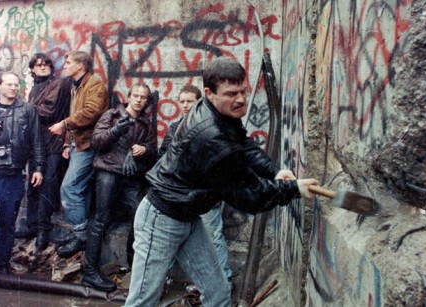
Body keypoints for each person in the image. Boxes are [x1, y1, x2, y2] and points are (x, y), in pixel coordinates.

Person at [125, 57, 318, 307]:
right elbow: (250, 197)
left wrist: (274, 172)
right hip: (161, 220)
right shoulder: (211, 136)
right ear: (209, 93)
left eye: (243, 91)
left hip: (188, 215)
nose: (240, 99)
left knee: (218, 293)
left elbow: (243, 144)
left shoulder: (218, 111)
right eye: (231, 94)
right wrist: (294, 189)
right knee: (142, 302)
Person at [82, 83, 157, 292]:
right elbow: (96, 142)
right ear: (129, 96)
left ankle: (135, 270)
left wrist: (144, 149)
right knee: (101, 220)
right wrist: (116, 130)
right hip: (108, 172)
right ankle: (90, 273)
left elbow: (153, 150)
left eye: (143, 97)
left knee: (140, 218)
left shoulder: (145, 124)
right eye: (136, 96)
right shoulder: (113, 115)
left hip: (131, 177)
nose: (139, 100)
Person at [158, 84, 233, 287]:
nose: (184, 105)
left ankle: (223, 281)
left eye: (189, 101)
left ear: (199, 102)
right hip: (179, 196)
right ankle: (163, 280)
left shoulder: (213, 127)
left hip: (205, 195)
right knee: (171, 237)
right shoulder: (175, 128)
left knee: (212, 237)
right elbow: (162, 158)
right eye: (181, 101)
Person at [49, 50, 109, 258]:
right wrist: (67, 143)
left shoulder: (94, 85)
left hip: (88, 146)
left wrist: (64, 125)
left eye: (68, 62)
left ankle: (82, 237)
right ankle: (80, 235)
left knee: (69, 188)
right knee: (81, 191)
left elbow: (91, 112)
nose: (64, 66)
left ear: (81, 65)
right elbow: (76, 114)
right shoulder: (76, 85)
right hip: (77, 145)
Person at [15, 53, 71, 251]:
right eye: (38, 65)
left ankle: (43, 231)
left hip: (53, 142)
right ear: (32, 69)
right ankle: (31, 226)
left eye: (46, 64)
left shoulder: (59, 84)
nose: (43, 67)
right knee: (33, 185)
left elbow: (50, 111)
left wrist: (26, 109)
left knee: (48, 186)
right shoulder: (34, 89)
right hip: (35, 143)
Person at [0, 72, 44, 274]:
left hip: (13, 175)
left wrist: (39, 168)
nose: (13, 88)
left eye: (16, 85)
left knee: (8, 222)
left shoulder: (28, 110)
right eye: (9, 84)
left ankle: (1, 265)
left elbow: (36, 141)